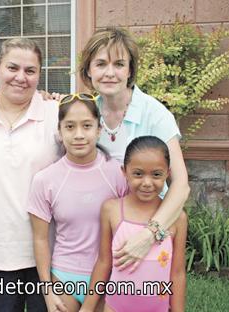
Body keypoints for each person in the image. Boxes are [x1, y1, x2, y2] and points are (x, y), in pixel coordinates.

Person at [78, 27, 190, 271]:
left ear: (130, 70)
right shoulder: (87, 113)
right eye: (100, 64)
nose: (110, 73)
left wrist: (148, 235)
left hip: (145, 232)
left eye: (119, 64)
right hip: (97, 234)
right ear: (88, 70)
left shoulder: (155, 114)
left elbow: (181, 185)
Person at [0, 38, 60, 311]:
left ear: (39, 74)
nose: (21, 77)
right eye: (12, 68)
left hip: (49, 249)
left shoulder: (56, 115)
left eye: (30, 71)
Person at [27, 93, 128, 312]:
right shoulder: (45, 180)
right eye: (70, 127)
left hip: (109, 279)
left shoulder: (118, 174)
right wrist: (47, 290)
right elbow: (40, 239)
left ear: (99, 129)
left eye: (87, 126)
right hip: (64, 278)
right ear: (60, 132)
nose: (79, 135)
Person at [81, 136, 187, 312]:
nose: (147, 183)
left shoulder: (177, 218)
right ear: (124, 171)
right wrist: (87, 308)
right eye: (138, 173)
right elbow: (103, 262)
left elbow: (177, 273)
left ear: (168, 173)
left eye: (156, 174)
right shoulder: (112, 210)